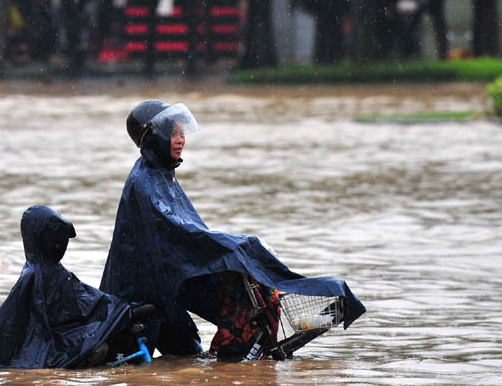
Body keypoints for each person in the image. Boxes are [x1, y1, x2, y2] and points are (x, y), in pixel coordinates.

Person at [100, 100, 365, 360]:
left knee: (188, 359)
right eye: (173, 133)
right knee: (132, 367)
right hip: (141, 293)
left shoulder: (160, 174)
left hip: (165, 292)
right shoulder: (145, 182)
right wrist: (235, 245)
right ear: (154, 137)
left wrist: (230, 245)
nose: (180, 139)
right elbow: (180, 236)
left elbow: (185, 233)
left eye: (182, 133)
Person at [0, 205, 136, 368]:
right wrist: (121, 307)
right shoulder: (44, 274)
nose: (61, 244)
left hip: (55, 335)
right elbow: (86, 304)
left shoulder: (35, 271)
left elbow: (80, 303)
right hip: (51, 346)